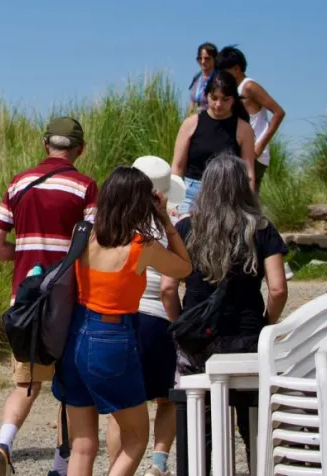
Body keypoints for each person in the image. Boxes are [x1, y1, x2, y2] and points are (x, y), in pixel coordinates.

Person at [52, 167, 191, 476]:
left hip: (74, 335)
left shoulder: (83, 233)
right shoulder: (142, 247)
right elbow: (184, 268)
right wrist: (167, 222)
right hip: (112, 337)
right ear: (142, 204)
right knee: (135, 438)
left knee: (83, 444)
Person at [0, 117, 98, 476]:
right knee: (69, 390)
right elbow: (92, 247)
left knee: (26, 382)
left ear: (46, 145)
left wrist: (24, 254)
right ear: (79, 149)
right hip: (68, 303)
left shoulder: (18, 184)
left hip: (26, 300)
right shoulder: (84, 187)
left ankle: (3, 443)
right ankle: (61, 467)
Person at [161, 154, 288, 472]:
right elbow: (277, 289)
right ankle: (260, 465)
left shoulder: (186, 228)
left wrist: (182, 324)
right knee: (254, 417)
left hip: (199, 343)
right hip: (246, 339)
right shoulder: (262, 229)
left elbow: (166, 288)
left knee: (199, 418)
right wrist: (268, 325)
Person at [103, 156, 187, 476]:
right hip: (157, 319)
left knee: (119, 411)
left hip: (121, 319)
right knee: (166, 401)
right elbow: (170, 287)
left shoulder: (113, 224)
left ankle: (117, 468)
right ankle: (158, 463)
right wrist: (178, 324)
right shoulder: (169, 229)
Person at [171, 71, 257, 213]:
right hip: (191, 193)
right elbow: (177, 167)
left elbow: (248, 173)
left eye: (225, 99)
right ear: (206, 95)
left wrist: (250, 206)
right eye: (214, 98)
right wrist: (173, 203)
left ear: (234, 99)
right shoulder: (191, 123)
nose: (218, 104)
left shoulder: (243, 129)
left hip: (228, 195)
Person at [216, 46, 286, 192]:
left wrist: (260, 145)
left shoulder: (249, 87)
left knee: (246, 200)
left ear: (236, 68)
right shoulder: (232, 90)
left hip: (254, 155)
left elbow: (278, 113)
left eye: (224, 70)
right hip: (238, 151)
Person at [187, 43, 217, 115]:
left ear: (215, 59)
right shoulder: (197, 77)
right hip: (196, 120)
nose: (203, 62)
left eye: (207, 58)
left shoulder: (218, 78)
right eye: (200, 58)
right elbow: (192, 101)